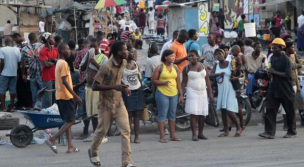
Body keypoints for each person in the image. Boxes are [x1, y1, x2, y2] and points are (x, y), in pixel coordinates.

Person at [88, 41, 135, 167]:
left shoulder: (124, 62)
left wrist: (124, 87)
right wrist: (114, 86)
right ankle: (93, 151)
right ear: (119, 52)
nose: (128, 52)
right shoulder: (106, 66)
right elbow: (94, 86)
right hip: (105, 104)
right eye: (125, 50)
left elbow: (118, 79)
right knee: (101, 131)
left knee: (126, 131)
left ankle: (126, 162)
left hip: (119, 103)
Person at [45, 42, 82, 154]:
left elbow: (64, 81)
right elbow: (65, 81)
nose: (70, 51)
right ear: (62, 51)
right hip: (66, 96)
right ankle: (52, 139)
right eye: (68, 49)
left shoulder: (59, 62)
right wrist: (75, 96)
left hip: (60, 94)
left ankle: (70, 146)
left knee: (68, 121)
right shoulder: (64, 63)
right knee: (71, 121)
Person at [259, 38, 296, 139]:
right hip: (274, 88)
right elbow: (273, 72)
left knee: (289, 111)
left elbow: (288, 75)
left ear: (281, 48)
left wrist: (274, 72)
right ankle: (269, 132)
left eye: (275, 48)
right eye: (272, 48)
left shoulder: (286, 60)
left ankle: (292, 132)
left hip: (285, 89)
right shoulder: (273, 58)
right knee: (270, 109)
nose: (273, 49)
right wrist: (269, 73)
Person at [152, 49, 184, 143]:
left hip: (174, 93)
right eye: (171, 56)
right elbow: (154, 80)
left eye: (174, 56)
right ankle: (162, 136)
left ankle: (172, 135)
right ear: (165, 57)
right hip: (162, 93)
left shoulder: (176, 67)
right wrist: (163, 83)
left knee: (172, 115)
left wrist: (181, 94)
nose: (173, 58)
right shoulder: (159, 67)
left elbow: (178, 81)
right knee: (162, 115)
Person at [80, 39, 109, 143]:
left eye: (95, 47)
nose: (93, 49)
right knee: (92, 113)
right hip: (88, 88)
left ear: (98, 47)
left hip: (98, 88)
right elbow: (82, 69)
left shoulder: (103, 57)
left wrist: (95, 63)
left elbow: (105, 72)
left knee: (98, 112)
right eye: (91, 47)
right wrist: (88, 57)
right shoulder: (88, 56)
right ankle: (95, 134)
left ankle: (102, 135)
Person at [181, 50, 213, 141]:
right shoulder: (186, 68)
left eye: (192, 56)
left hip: (203, 92)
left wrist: (210, 93)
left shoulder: (203, 66)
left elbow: (207, 80)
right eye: (189, 56)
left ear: (197, 56)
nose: (191, 58)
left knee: (202, 113)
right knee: (194, 113)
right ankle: (194, 134)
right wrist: (181, 94)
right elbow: (183, 82)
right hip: (192, 91)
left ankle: (201, 133)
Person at [210, 49, 242, 137]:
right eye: (216, 54)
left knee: (228, 110)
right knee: (223, 111)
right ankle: (226, 131)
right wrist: (218, 74)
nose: (218, 55)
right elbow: (210, 75)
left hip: (230, 88)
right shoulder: (216, 65)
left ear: (224, 55)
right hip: (221, 89)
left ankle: (238, 127)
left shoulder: (230, 63)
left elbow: (239, 72)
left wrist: (236, 79)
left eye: (220, 53)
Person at [122, 45, 145, 144]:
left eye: (134, 52)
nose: (133, 54)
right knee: (129, 115)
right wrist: (124, 87)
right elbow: (118, 79)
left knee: (137, 114)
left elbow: (139, 77)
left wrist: (141, 89)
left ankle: (136, 136)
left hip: (137, 90)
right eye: (131, 52)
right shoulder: (122, 65)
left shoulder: (135, 64)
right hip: (128, 92)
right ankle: (128, 136)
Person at [280, 42, 302, 131]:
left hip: (293, 83)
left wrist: (298, 85)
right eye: (292, 47)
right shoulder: (284, 58)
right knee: (285, 105)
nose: (294, 49)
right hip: (286, 84)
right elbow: (291, 67)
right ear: (287, 48)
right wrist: (294, 66)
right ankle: (285, 124)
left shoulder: (293, 56)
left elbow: (299, 66)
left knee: (292, 105)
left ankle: (291, 124)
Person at [21, 33, 44, 109]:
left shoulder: (24, 49)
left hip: (32, 74)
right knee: (42, 90)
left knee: (34, 91)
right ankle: (41, 105)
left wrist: (23, 73)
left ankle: (35, 105)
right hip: (41, 73)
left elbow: (23, 63)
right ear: (34, 38)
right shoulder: (41, 46)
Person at [73, 38, 90, 139]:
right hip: (92, 83)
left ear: (81, 45)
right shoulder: (96, 52)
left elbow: (75, 65)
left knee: (83, 107)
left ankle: (85, 131)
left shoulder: (81, 53)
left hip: (83, 83)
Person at [0, 37, 21, 112]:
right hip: (14, 73)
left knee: (2, 90)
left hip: (4, 73)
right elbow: (19, 62)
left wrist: (1, 70)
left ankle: (3, 108)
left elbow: (2, 61)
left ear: (5, 42)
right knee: (13, 91)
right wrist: (18, 73)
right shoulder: (17, 49)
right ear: (12, 42)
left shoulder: (3, 49)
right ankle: (11, 107)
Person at [39, 32, 58, 109]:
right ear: (47, 39)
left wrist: (52, 60)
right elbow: (46, 65)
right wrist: (55, 61)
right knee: (48, 101)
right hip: (47, 78)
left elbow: (59, 60)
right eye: (52, 38)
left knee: (55, 100)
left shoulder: (55, 49)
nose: (53, 39)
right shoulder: (43, 51)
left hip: (56, 77)